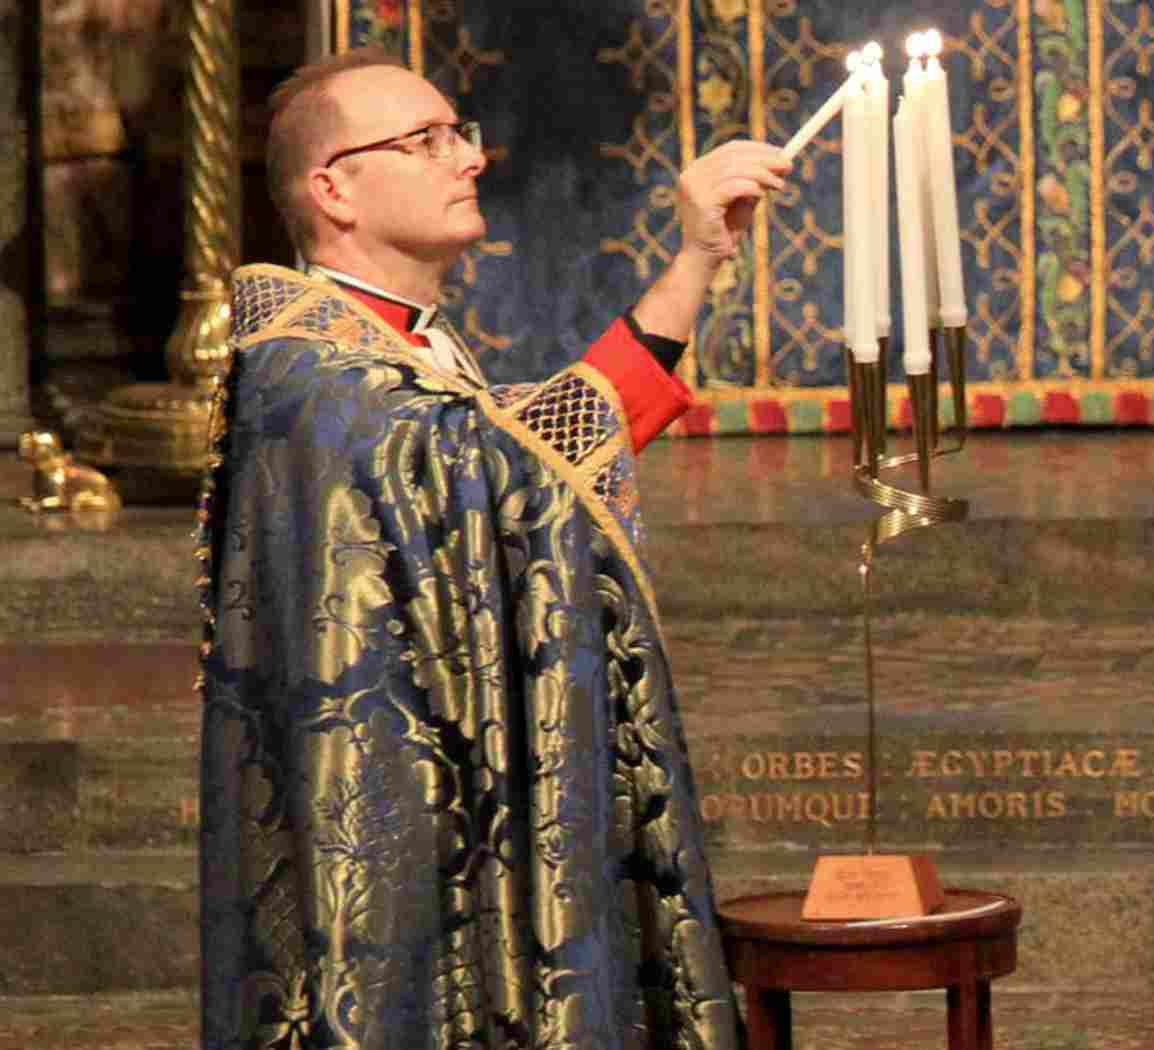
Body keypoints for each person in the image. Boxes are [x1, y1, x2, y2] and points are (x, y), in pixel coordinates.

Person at [196, 47, 790, 1050]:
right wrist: (690, 260)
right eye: (423, 141)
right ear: (331, 188)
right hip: (394, 830)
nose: (465, 158)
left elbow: (510, 460)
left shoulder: (395, 349)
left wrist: (697, 259)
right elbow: (519, 468)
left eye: (458, 133)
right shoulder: (315, 380)